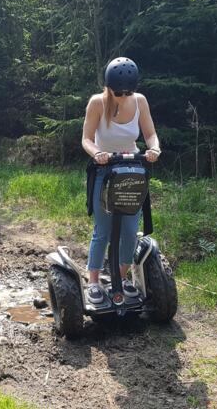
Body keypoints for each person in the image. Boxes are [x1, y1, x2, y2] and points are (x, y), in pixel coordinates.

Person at [81, 57, 161, 304]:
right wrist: (97, 154)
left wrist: (154, 149)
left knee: (129, 230)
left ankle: (122, 277)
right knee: (103, 230)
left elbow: (150, 134)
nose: (123, 97)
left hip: (132, 170)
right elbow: (86, 138)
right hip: (105, 170)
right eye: (118, 92)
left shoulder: (140, 102)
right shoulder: (97, 103)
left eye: (127, 92)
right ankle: (93, 280)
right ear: (109, 87)